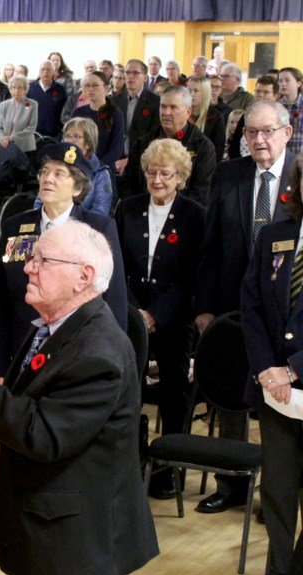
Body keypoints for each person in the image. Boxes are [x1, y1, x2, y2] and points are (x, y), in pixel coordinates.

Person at [0, 220, 158, 575]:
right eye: (32, 258)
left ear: (84, 276)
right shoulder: (55, 330)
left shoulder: (98, 349)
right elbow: (38, 412)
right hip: (45, 533)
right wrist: (4, 453)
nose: (29, 267)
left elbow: (46, 434)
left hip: (74, 546)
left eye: (43, 260)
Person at [195, 100, 295, 515]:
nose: (258, 140)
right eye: (250, 132)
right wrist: (204, 307)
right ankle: (231, 483)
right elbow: (211, 246)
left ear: (287, 133)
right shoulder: (229, 174)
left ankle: (277, 493)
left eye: (267, 131)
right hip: (235, 308)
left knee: (283, 409)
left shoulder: (299, 176)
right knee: (231, 398)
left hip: (289, 315)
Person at [0, 143, 128, 378]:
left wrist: (113, 359)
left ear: (77, 188)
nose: (48, 179)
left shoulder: (97, 229)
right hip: (20, 354)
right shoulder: (17, 227)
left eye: (59, 174)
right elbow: (0, 301)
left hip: (77, 356)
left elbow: (114, 299)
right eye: (45, 172)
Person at [115, 139, 204, 497]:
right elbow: (116, 262)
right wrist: (137, 312)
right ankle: (129, 465)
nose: (157, 179)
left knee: (174, 392)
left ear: (180, 177)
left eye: (165, 174)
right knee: (129, 389)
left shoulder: (195, 214)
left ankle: (170, 470)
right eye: (151, 172)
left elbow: (192, 276)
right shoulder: (128, 208)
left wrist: (157, 314)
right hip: (133, 314)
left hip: (174, 316)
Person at [241, 152, 303, 575]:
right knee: (278, 486)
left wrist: (295, 367)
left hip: (296, 375)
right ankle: (279, 571)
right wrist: (266, 367)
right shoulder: (275, 235)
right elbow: (252, 306)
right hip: (275, 390)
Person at [126, 86, 217, 206]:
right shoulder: (144, 143)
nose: (166, 112)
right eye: (163, 106)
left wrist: (167, 208)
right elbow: (128, 183)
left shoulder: (203, 147)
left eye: (173, 107)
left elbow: (201, 192)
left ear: (188, 112)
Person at [35, 118, 114, 217]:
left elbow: (100, 211)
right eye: (67, 136)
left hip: (83, 228)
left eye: (76, 136)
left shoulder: (100, 172)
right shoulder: (54, 165)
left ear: (88, 143)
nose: (70, 140)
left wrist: (71, 226)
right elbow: (39, 202)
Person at [114, 59, 162, 195]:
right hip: (116, 163)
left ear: (145, 77)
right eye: (127, 72)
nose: (130, 76)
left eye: (136, 73)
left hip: (142, 163)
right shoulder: (115, 100)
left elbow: (154, 136)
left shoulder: (155, 102)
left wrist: (131, 160)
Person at [72, 71, 125, 171]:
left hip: (104, 169)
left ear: (106, 88)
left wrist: (97, 167)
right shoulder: (78, 112)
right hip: (79, 169)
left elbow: (116, 148)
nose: (90, 89)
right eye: (87, 85)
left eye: (95, 85)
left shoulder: (115, 113)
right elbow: (70, 142)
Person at [0, 76, 38, 158]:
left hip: (25, 147)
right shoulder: (4, 105)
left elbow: (31, 128)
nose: (17, 90)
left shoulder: (32, 104)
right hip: (5, 145)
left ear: (25, 90)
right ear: (10, 89)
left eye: (20, 88)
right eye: (14, 87)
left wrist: (11, 138)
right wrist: (2, 138)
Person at [187, 75, 226, 160]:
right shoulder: (181, 112)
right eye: (189, 90)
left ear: (205, 92)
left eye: (196, 91)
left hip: (205, 164)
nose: (192, 94)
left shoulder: (216, 116)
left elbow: (218, 149)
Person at [27, 61, 66, 139]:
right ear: (39, 71)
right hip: (33, 133)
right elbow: (25, 107)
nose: (45, 72)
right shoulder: (30, 88)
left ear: (53, 72)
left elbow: (64, 111)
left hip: (54, 134)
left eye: (48, 69)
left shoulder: (60, 89)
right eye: (43, 69)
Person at [278, 67, 303, 156]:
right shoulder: (275, 107)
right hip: (280, 158)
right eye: (280, 81)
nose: (283, 84)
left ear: (299, 83)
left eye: (287, 80)